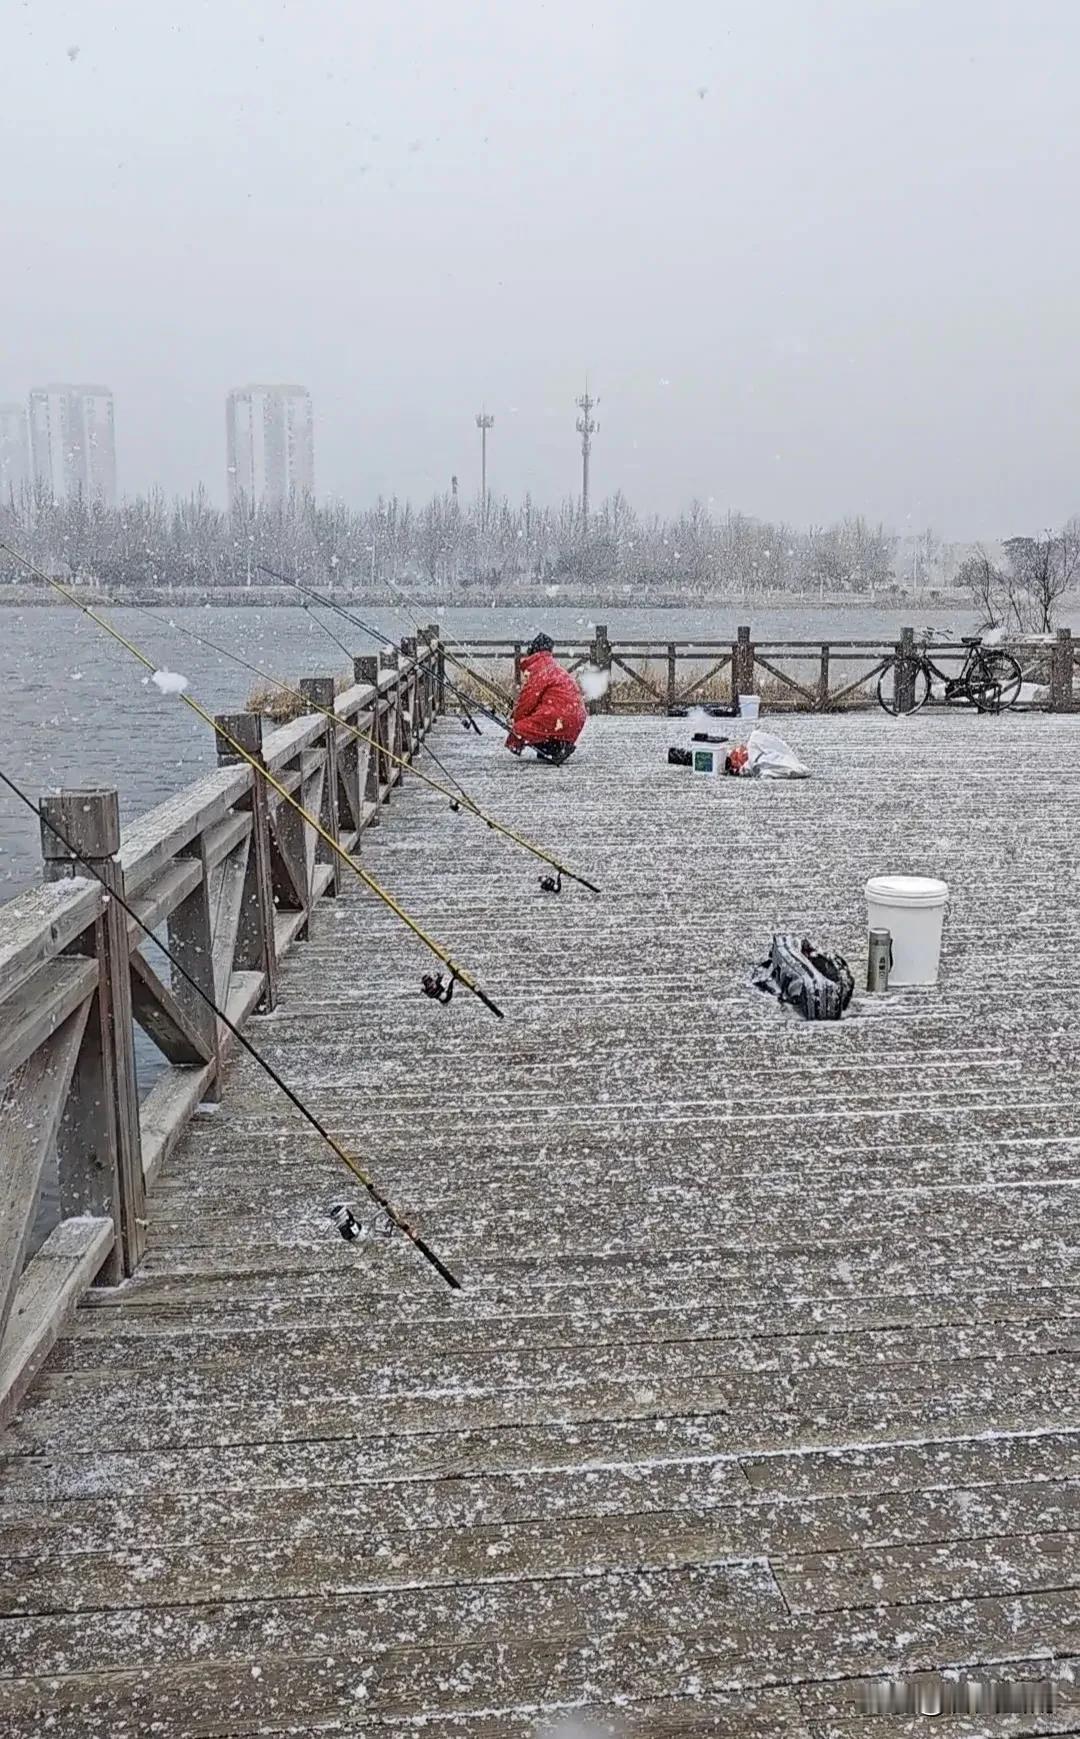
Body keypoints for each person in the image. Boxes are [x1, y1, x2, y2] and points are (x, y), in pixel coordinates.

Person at [505, 632, 587, 764]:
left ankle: (548, 746)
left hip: (558, 717)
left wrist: (515, 720)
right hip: (575, 718)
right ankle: (557, 745)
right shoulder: (552, 666)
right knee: (541, 724)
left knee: (519, 729)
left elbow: (527, 699)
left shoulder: (539, 668)